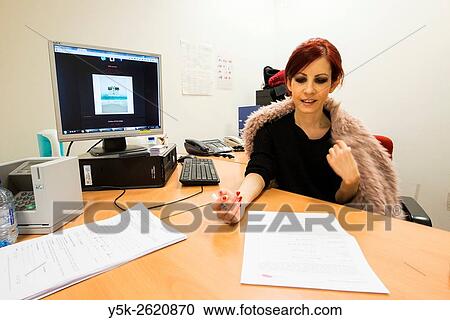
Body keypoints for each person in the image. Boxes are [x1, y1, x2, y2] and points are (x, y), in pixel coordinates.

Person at [213, 38, 402, 224]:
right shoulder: (270, 127)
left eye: (320, 81)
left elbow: (346, 202)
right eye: (301, 79)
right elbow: (259, 169)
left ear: (333, 83)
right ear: (289, 83)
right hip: (285, 221)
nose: (309, 90)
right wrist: (239, 201)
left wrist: (351, 181)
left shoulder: (347, 137)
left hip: (332, 227)